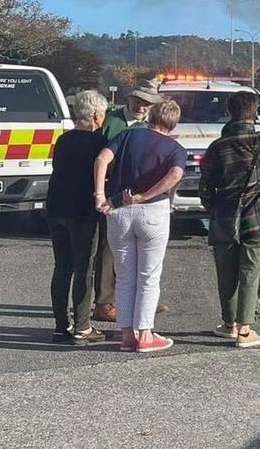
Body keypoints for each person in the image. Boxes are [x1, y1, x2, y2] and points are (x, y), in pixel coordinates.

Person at [93, 98, 187, 354]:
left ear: (150, 116)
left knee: (124, 276)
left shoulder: (128, 135)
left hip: (118, 211)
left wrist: (100, 194)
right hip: (153, 212)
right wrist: (145, 196)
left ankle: (126, 335)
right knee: (148, 276)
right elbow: (176, 174)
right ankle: (145, 334)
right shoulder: (175, 148)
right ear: (173, 123)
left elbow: (101, 159)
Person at [200, 91, 260, 348]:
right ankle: (245, 330)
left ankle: (229, 324)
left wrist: (213, 207)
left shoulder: (218, 146)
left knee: (225, 272)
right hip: (259, 217)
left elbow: (206, 185)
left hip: (225, 216)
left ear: (229, 112)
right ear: (254, 113)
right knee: (250, 272)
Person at [90, 86, 163, 322]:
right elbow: (98, 156)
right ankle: (104, 302)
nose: (142, 107)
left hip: (142, 194)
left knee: (140, 249)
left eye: (147, 104)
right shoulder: (111, 122)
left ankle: (139, 300)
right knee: (109, 250)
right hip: (114, 192)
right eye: (138, 102)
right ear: (129, 99)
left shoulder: (150, 125)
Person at [46, 90, 110, 345]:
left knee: (62, 267)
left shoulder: (63, 140)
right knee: (84, 268)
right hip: (82, 211)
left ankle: (61, 326)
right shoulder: (99, 143)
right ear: (95, 116)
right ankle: (82, 327)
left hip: (56, 207)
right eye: (103, 113)